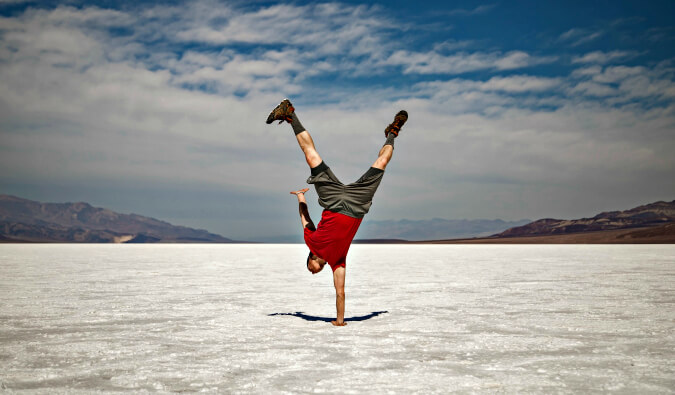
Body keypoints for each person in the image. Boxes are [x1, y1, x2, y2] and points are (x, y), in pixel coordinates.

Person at [266, 99, 408, 326]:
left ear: (311, 260)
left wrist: (301, 197)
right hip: (356, 204)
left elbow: (306, 218)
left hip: (333, 201)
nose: (313, 273)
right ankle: (392, 133)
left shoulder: (311, 242)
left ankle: (289, 114)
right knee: (382, 161)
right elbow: (340, 293)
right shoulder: (337, 263)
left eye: (310, 270)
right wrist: (339, 321)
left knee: (311, 155)